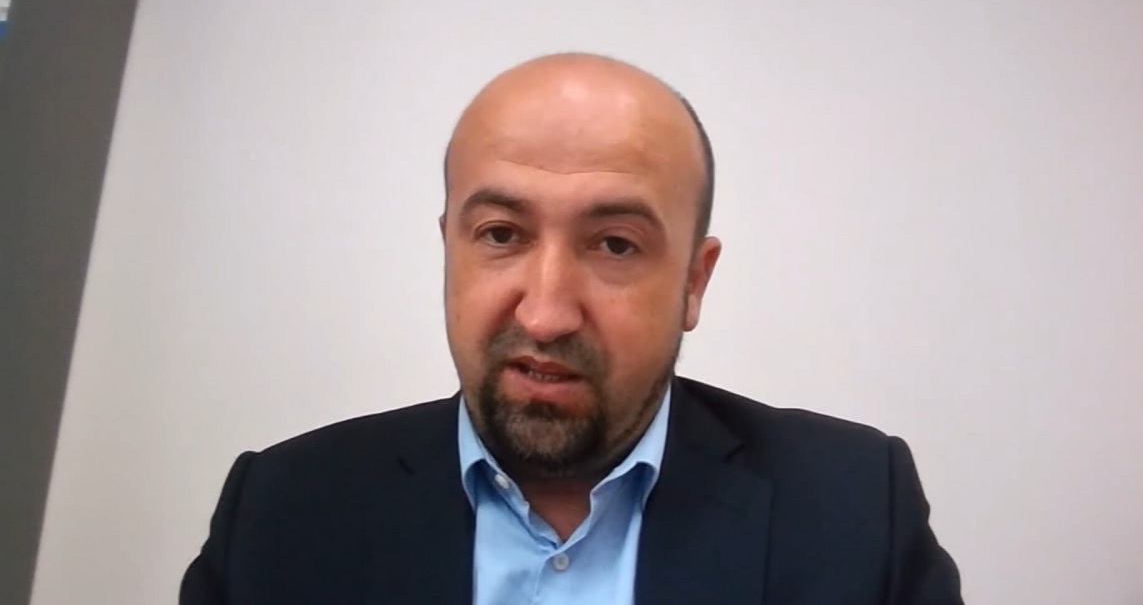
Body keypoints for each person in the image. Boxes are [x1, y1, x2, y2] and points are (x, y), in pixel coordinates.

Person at [180, 53, 964, 605]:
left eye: (614, 245)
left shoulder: (854, 509)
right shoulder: (283, 511)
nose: (546, 313)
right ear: (450, 250)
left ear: (693, 282)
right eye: (500, 234)